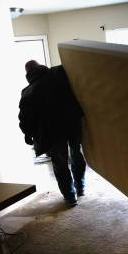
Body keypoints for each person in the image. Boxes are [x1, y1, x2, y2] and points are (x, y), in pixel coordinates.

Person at [18, 60, 86, 206]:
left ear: (27, 73)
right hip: (72, 123)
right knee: (76, 154)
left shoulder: (28, 92)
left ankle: (70, 197)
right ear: (40, 66)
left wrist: (27, 133)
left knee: (60, 163)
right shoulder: (60, 72)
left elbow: (25, 117)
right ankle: (80, 188)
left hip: (52, 132)